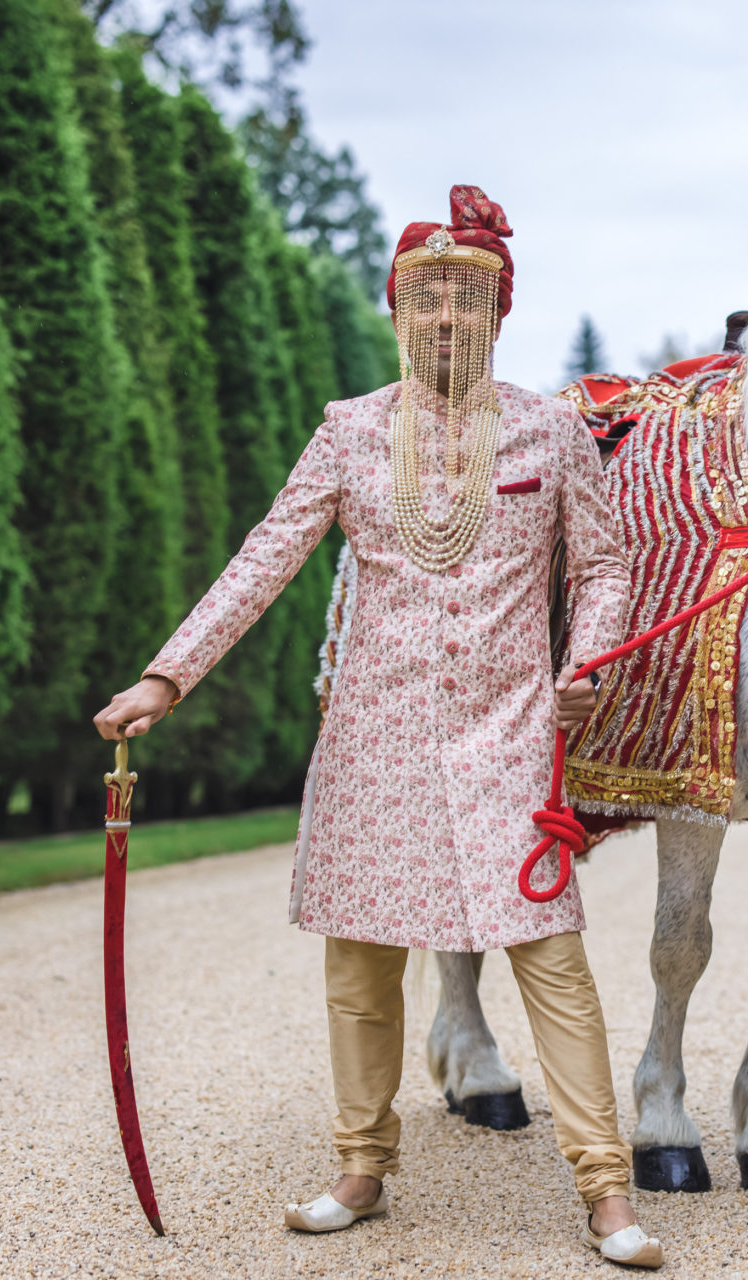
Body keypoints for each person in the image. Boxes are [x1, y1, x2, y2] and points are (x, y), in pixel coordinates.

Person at [93, 185, 662, 1268]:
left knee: (551, 954)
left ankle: (606, 1187)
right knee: (361, 964)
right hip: (375, 736)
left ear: (500, 312)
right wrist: (165, 679)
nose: (447, 319)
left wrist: (586, 657)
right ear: (397, 311)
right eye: (427, 300)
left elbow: (602, 565)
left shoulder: (549, 428)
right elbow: (267, 555)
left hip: (507, 731)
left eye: (469, 299)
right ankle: (361, 1163)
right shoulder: (350, 431)